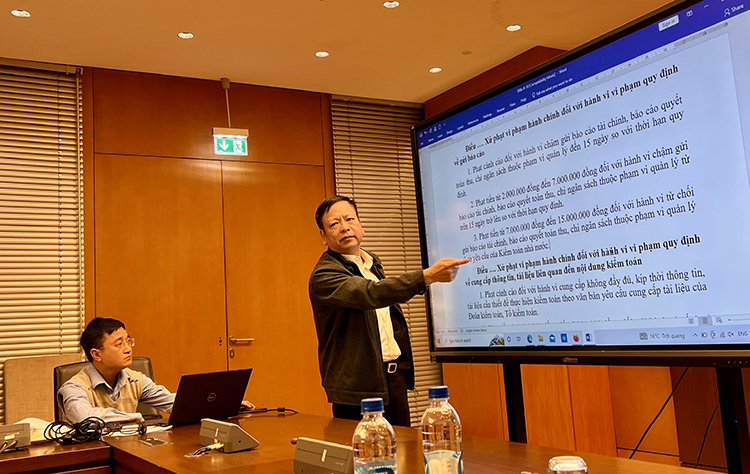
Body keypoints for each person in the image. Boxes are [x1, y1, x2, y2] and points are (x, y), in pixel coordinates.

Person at [309, 195, 469, 426]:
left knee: (403, 444)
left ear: (360, 224)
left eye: (350, 219)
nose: (345, 227)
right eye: (334, 224)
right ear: (323, 236)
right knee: (365, 447)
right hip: (357, 387)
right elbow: (371, 294)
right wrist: (425, 277)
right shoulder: (324, 274)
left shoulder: (371, 264)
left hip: (394, 379)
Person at [57, 318, 175, 424]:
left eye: (128, 341)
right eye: (119, 344)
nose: (128, 349)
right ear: (97, 354)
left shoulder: (135, 379)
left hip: (130, 441)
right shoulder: (74, 388)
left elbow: (174, 404)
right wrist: (135, 417)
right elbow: (85, 417)